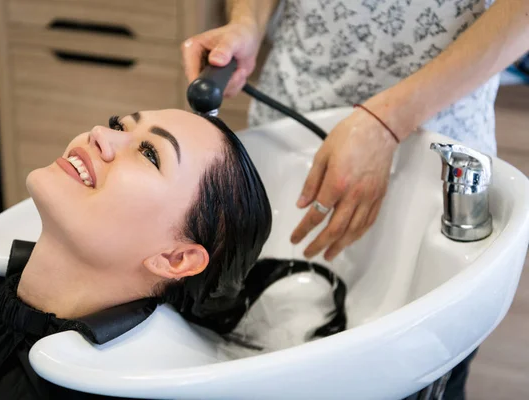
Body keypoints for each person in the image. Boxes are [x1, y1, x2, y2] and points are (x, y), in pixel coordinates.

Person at [181, 1, 529, 398]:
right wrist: (247, 21)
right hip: (289, 122)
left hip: (435, 146)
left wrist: (388, 122)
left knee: (422, 363)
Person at [0, 109, 273, 399]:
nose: (99, 134)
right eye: (120, 125)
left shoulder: (116, 387)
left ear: (175, 258)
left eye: (150, 153)